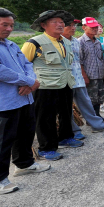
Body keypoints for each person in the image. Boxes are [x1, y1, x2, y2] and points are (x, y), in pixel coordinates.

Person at [0, 7, 50, 194]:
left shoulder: (11, 45)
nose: (9, 29)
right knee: (1, 142)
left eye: (11, 25)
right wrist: (29, 81)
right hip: (3, 102)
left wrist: (31, 82)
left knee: (25, 134)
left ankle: (24, 164)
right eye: (4, 25)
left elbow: (26, 64)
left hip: (24, 99)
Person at [21, 10, 82, 160]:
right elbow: (22, 64)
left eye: (62, 22)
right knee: (45, 117)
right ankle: (46, 148)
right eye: (55, 22)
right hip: (44, 86)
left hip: (66, 83)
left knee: (66, 112)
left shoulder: (66, 41)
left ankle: (65, 137)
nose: (60, 24)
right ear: (43, 25)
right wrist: (27, 83)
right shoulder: (34, 42)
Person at [63, 18, 104, 139]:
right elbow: (80, 61)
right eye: (92, 27)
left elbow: (99, 58)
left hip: (90, 76)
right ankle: (75, 131)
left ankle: (96, 123)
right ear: (84, 27)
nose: (95, 29)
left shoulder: (94, 42)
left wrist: (103, 69)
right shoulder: (80, 41)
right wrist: (84, 75)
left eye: (96, 27)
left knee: (94, 100)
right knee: (76, 105)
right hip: (79, 77)